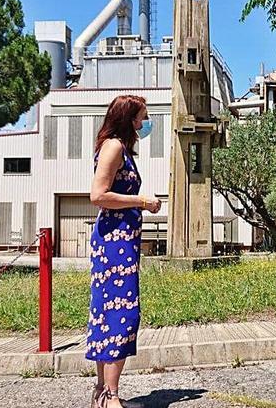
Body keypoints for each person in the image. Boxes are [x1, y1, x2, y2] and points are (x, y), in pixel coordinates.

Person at [87, 95, 161, 408]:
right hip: (114, 242)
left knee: (110, 314)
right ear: (129, 119)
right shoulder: (115, 146)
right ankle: (110, 396)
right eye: (142, 117)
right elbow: (98, 195)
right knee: (121, 314)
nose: (145, 124)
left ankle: (103, 394)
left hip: (121, 241)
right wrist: (141, 201)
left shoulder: (119, 148)